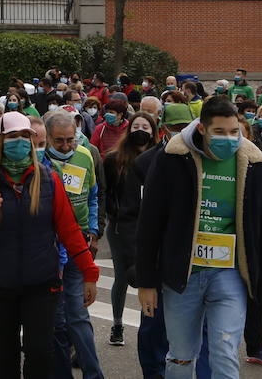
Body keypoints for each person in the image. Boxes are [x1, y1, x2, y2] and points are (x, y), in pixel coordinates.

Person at [136, 96, 262, 379]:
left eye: (233, 132)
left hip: (228, 274)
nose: (228, 139)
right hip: (183, 274)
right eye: (219, 132)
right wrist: (146, 282)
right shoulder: (172, 158)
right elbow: (150, 222)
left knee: (225, 349)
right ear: (202, 129)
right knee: (180, 356)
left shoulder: (253, 163)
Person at [0, 111, 99, 378]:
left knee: (40, 356)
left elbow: (70, 230)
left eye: (24, 136)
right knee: (3, 360)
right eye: (12, 136)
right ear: (0, 140)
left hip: (41, 285)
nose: (19, 142)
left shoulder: (49, 179)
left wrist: (90, 273)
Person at [44, 108, 105, 379]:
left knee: (78, 315)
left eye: (70, 139)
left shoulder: (84, 156)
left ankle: (94, 374)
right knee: (56, 321)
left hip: (78, 243)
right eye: (59, 141)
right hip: (49, 247)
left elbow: (93, 195)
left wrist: (92, 228)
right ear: (46, 138)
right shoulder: (39, 162)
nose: (67, 146)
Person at [103, 111, 157, 347]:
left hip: (152, 224)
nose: (141, 130)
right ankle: (117, 322)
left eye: (146, 126)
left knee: (151, 277)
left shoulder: (161, 158)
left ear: (154, 131)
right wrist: (113, 211)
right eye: (137, 126)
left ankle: (151, 326)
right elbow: (106, 191)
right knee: (123, 276)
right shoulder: (114, 159)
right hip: (120, 226)